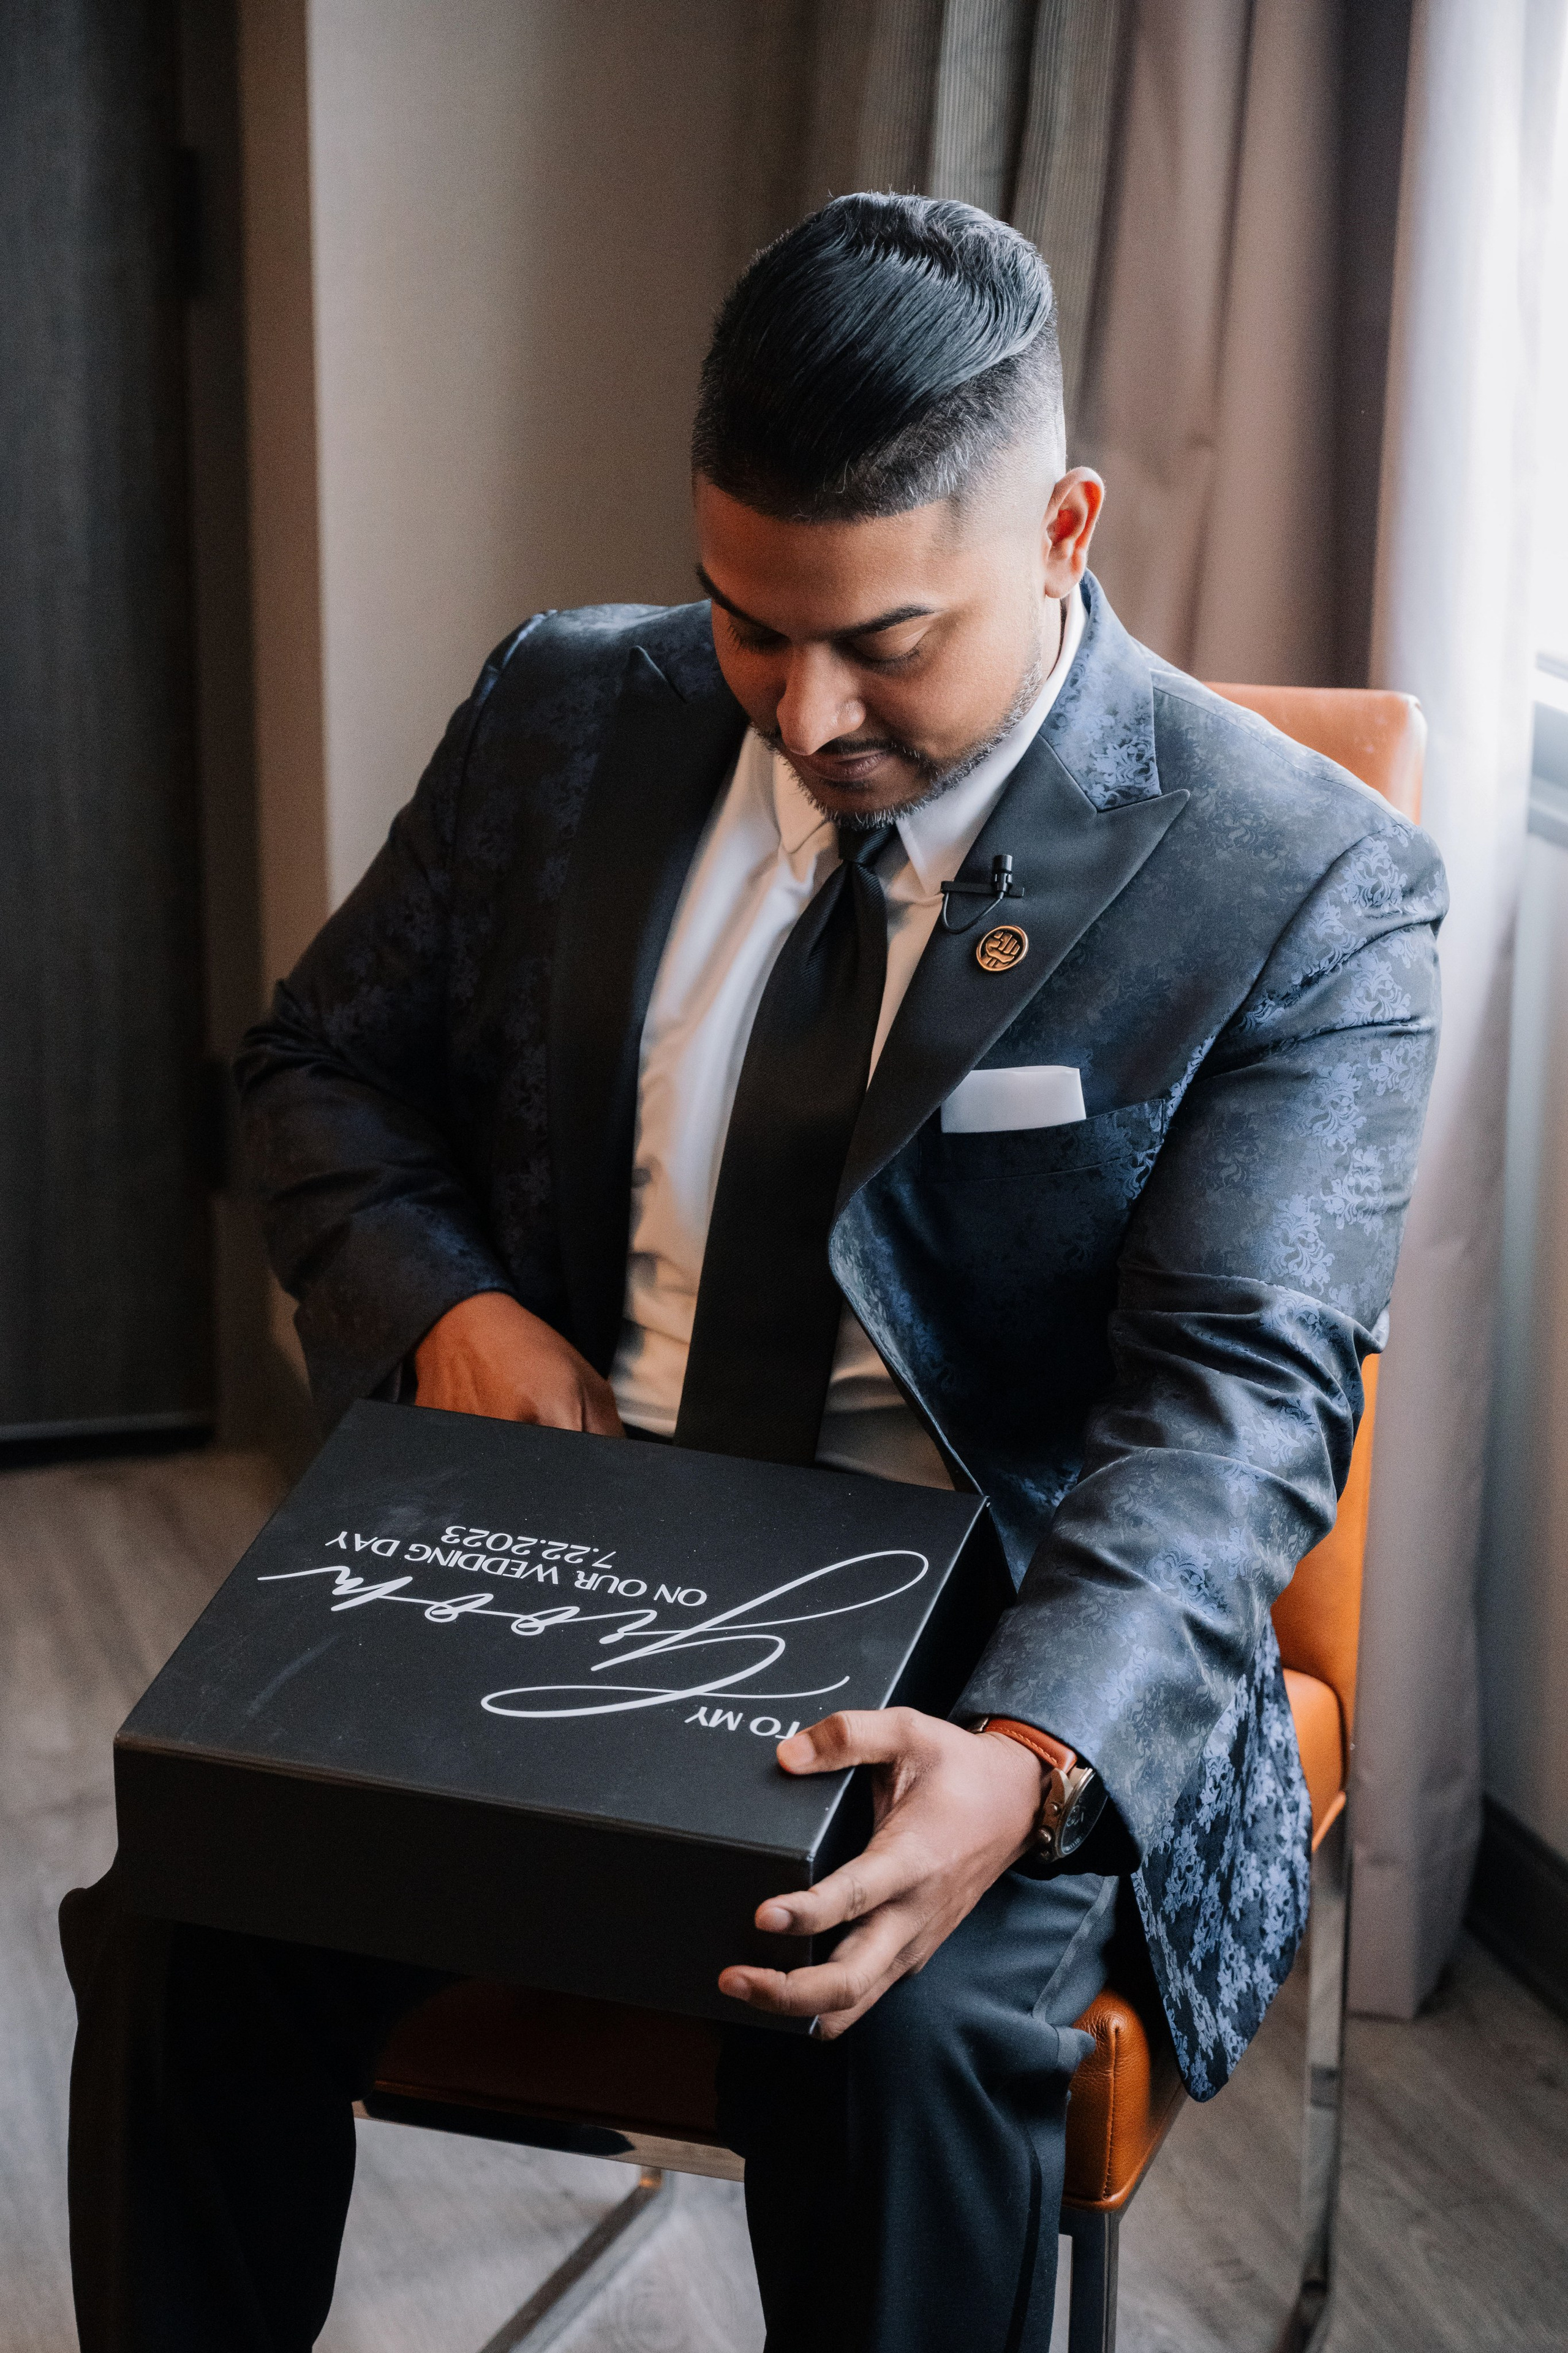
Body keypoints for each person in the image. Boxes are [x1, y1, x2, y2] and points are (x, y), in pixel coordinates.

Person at [61, 194, 1445, 2352]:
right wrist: (450, 1308)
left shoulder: (1298, 881)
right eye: (744, 624)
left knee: (891, 2033)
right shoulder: (562, 709)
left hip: (986, 1643)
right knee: (184, 1915)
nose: (804, 708)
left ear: (1064, 527)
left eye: (884, 640)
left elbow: (1236, 1410)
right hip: (555, 1570)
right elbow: (316, 1067)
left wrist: (1035, 1752)